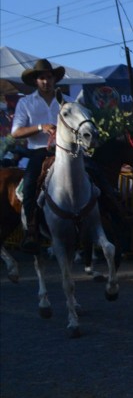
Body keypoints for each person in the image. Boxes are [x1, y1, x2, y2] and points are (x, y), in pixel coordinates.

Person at [9, 59, 63, 253]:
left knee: (94, 173)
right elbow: (16, 132)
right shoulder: (25, 102)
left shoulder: (64, 101)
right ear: (35, 81)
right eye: (42, 78)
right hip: (39, 151)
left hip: (64, 150)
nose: (46, 81)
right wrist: (41, 127)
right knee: (31, 183)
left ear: (54, 78)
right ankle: (31, 229)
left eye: (49, 77)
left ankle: (114, 215)